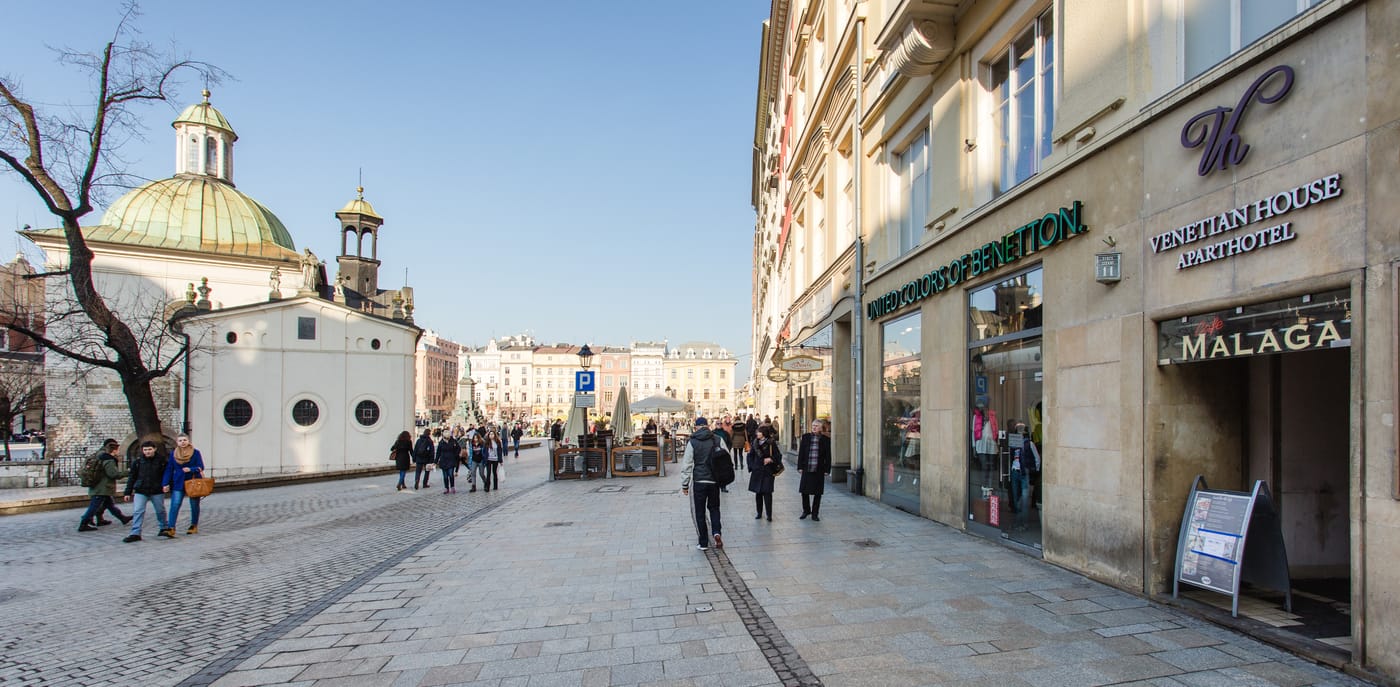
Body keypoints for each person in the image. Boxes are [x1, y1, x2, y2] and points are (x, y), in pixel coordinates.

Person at [680, 417, 727, 551]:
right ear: (707, 426)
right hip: (714, 481)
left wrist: (685, 484)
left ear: (696, 427)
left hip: (699, 481)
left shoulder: (693, 442)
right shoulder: (718, 439)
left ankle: (703, 542)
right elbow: (726, 458)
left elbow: (687, 464)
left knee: (700, 512)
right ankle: (716, 532)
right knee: (714, 508)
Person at [78, 439, 130, 532]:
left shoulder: (99, 455)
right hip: (102, 487)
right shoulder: (108, 459)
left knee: (110, 504)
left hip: (99, 486)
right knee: (94, 506)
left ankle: (122, 518)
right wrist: (127, 472)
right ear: (114, 450)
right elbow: (113, 474)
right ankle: (84, 523)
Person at [122, 440, 170, 542]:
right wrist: (127, 492)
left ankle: (164, 528)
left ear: (154, 449)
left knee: (160, 510)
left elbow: (167, 475)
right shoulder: (138, 462)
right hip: (141, 489)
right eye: (145, 450)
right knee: (138, 511)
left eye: (149, 449)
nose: (147, 452)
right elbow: (132, 477)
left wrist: (167, 485)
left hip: (156, 490)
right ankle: (135, 533)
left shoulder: (161, 461)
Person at [165, 433, 207, 535]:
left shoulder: (195, 453)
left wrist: (191, 469)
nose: (182, 442)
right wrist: (165, 483)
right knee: (175, 504)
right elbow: (169, 469)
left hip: (193, 481)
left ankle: (193, 525)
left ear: (188, 441)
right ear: (177, 442)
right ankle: (171, 527)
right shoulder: (173, 454)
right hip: (179, 482)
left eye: (184, 440)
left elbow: (201, 466)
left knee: (194, 505)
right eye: (180, 440)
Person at [797, 419, 832, 521]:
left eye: (816, 425)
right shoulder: (806, 437)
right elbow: (801, 453)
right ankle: (806, 510)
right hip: (807, 468)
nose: (814, 427)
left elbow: (828, 456)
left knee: (817, 493)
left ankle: (815, 513)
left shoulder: (825, 439)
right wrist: (800, 467)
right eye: (813, 425)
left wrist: (827, 469)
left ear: (821, 428)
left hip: (819, 469)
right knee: (804, 491)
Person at [747, 425, 781, 521]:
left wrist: (771, 459)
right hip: (757, 471)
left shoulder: (771, 443)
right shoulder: (755, 443)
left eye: (759, 432)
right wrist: (752, 466)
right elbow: (750, 456)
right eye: (757, 432)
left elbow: (778, 455)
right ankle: (759, 513)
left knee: (767, 493)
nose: (757, 433)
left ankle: (769, 514)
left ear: (764, 433)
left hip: (768, 471)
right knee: (758, 493)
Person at [434, 429, 459, 494]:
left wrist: (455, 455)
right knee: (445, 476)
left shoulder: (453, 441)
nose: (447, 438)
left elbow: (458, 448)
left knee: (451, 474)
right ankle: (446, 488)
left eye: (448, 437)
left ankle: (452, 487)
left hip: (451, 460)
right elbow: (438, 453)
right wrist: (435, 461)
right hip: (443, 461)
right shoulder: (441, 442)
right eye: (446, 437)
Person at [712, 419, 732, 493]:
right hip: (715, 454)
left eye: (720, 423)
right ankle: (716, 484)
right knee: (716, 470)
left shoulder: (725, 433)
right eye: (718, 423)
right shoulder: (712, 433)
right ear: (715, 424)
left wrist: (728, 450)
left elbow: (730, 442)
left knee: (723, 470)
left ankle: (723, 486)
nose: (719, 424)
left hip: (723, 454)